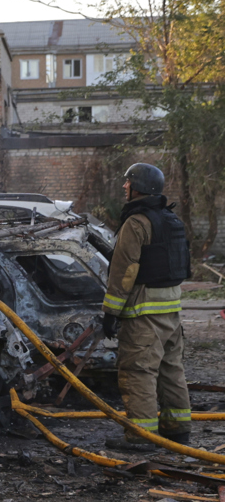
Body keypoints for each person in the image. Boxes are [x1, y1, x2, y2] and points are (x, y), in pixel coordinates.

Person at [101, 162, 193, 450]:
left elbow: (125, 271)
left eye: (128, 182)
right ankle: (177, 429)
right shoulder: (170, 219)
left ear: (139, 187)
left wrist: (110, 312)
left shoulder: (137, 223)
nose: (125, 186)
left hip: (143, 315)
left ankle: (141, 436)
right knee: (171, 369)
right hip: (171, 312)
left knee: (138, 371)